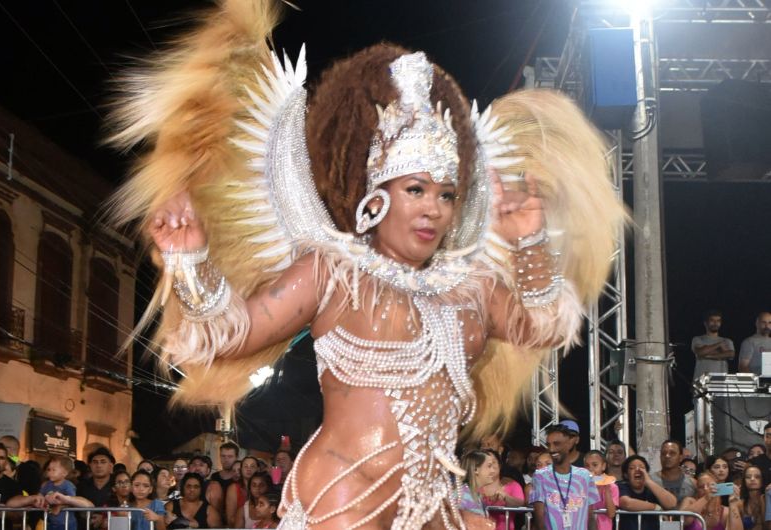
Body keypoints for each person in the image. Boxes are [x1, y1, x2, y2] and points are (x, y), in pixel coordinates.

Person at [108, 2, 623, 526]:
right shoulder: (333, 272)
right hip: (342, 499)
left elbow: (541, 327)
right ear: (377, 197)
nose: (433, 208)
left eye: (446, 195)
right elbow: (229, 333)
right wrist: (190, 258)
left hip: (430, 505)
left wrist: (529, 241)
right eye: (416, 189)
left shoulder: (472, 287)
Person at [530, 425, 598, 530]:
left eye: (556, 444)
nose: (551, 449)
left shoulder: (585, 476)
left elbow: (590, 517)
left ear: (568, 444)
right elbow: (539, 520)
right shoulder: (540, 476)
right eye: (548, 445)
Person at [8, 456, 94, 530]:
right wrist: (37, 501)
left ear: (64, 473)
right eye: (49, 469)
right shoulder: (46, 485)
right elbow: (40, 495)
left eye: (53, 470)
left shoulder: (68, 485)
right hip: (51, 522)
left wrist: (60, 506)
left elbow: (71, 500)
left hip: (67, 524)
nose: (50, 472)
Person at [617, 455, 677, 530]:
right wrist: (655, 507)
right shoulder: (621, 486)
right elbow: (626, 503)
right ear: (626, 475)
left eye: (642, 467)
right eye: (632, 468)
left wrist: (649, 481)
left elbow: (672, 504)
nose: (638, 470)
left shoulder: (653, 489)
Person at [480, 449, 525, 530]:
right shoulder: (474, 487)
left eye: (493, 462)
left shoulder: (513, 485)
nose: (490, 467)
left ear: (500, 465)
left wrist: (506, 497)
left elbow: (521, 505)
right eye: (485, 463)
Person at [691, 310, 735, 381]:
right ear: (705, 323)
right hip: (701, 381)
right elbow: (700, 352)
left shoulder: (727, 340)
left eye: (718, 321)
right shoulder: (698, 339)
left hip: (721, 381)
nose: (715, 323)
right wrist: (719, 345)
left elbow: (731, 354)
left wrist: (707, 355)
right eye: (712, 320)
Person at [583, 450, 617, 530]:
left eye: (595, 465)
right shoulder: (581, 486)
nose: (590, 469)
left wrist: (607, 488)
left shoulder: (612, 486)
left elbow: (611, 514)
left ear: (603, 466)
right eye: (587, 466)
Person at [226, 456, 259, 527]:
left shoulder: (263, 488)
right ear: (241, 470)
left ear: (258, 469)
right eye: (245, 466)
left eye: (252, 466)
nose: (249, 469)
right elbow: (230, 520)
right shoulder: (233, 488)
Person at [734, 465, 766, 530]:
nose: (752, 479)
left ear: (762, 480)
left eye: (757, 477)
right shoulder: (740, 503)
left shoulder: (766, 499)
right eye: (748, 477)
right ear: (744, 481)